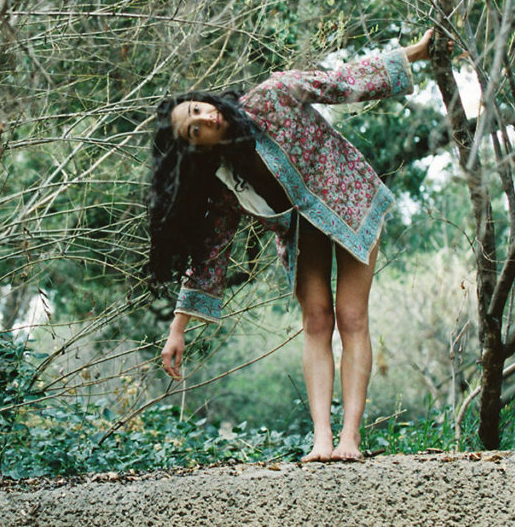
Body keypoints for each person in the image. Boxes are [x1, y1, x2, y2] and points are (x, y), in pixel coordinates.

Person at [147, 29, 443, 462]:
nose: (205, 119)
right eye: (194, 130)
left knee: (351, 314)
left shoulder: (273, 96)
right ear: (196, 149)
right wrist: (177, 330)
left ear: (204, 99)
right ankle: (322, 439)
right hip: (304, 230)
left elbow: (341, 81)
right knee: (317, 320)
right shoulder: (227, 181)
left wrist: (413, 53)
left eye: (198, 109)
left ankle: (350, 440)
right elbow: (209, 252)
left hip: (348, 197)